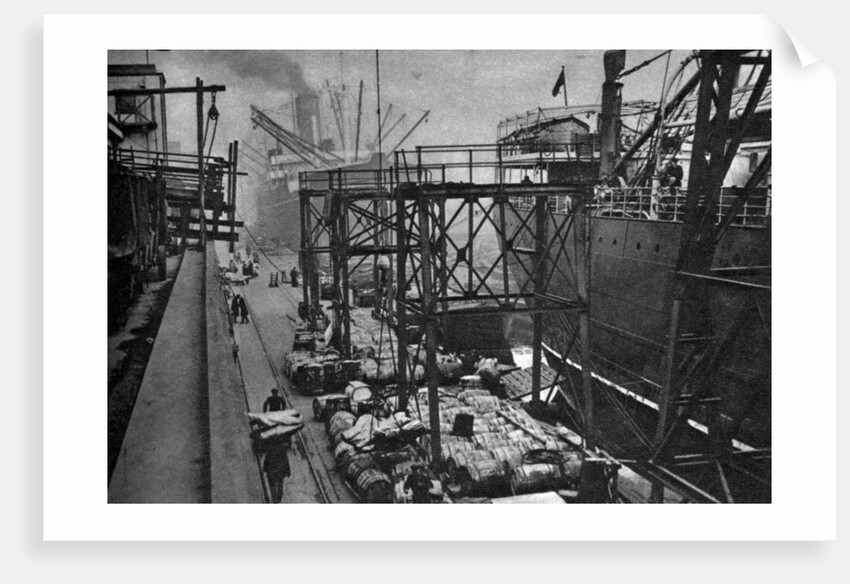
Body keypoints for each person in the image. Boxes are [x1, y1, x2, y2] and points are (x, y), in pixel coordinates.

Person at [263, 438, 290, 504]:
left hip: (271, 471)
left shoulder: (271, 448)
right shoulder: (283, 449)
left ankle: (274, 499)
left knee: (272, 485)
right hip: (280, 471)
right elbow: (286, 460)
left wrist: (265, 469)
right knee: (280, 484)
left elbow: (267, 459)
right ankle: (279, 498)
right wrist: (288, 471)